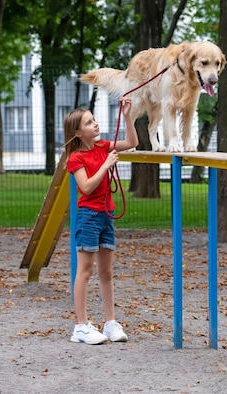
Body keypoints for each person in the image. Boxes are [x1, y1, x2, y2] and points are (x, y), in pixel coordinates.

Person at [63, 98, 138, 345]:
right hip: (88, 217)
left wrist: (127, 116)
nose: (95, 124)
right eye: (89, 122)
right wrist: (106, 164)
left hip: (106, 215)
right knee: (84, 271)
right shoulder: (76, 158)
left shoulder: (102, 145)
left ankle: (109, 322)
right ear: (77, 132)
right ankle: (81, 326)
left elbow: (132, 142)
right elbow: (85, 187)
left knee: (106, 272)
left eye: (94, 120)